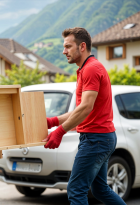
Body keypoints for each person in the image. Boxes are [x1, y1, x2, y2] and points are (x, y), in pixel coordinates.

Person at [43, 27, 126, 205]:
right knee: (100, 189)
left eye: (68, 46)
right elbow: (81, 109)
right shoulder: (87, 69)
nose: (64, 51)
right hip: (101, 138)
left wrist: (59, 132)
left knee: (76, 189)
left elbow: (86, 107)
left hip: (96, 139)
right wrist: (53, 121)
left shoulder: (90, 69)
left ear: (82, 46)